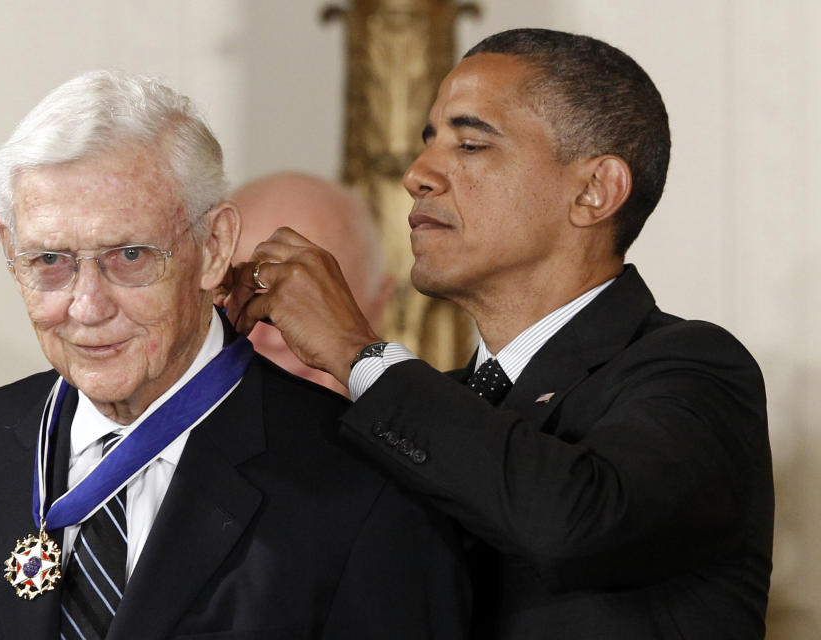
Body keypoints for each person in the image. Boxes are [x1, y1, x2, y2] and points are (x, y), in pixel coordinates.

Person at [0, 70, 468, 639]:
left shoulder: (366, 484)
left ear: (214, 249)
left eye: (129, 256)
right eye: (50, 261)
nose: (86, 307)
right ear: (11, 248)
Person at [224, 29, 774, 638]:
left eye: (471, 144)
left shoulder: (693, 370)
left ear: (594, 191)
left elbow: (576, 521)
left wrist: (357, 352)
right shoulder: (424, 408)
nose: (417, 174)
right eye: (428, 141)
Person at [233, 171, 393, 395]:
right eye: (242, 294)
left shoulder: (427, 425)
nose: (272, 339)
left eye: (306, 297)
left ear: (379, 306)